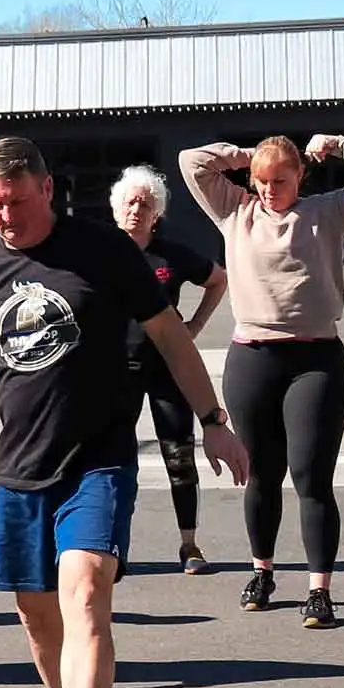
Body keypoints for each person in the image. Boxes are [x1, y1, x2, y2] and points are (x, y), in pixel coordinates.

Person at [0, 138, 248, 688]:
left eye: (17, 202)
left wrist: (213, 418)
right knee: (36, 615)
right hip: (21, 467)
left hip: (98, 458)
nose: (4, 216)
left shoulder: (106, 252)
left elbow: (171, 334)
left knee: (85, 592)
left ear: (46, 189)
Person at [179, 132, 344, 627]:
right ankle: (263, 572)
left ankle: (319, 589)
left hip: (316, 359)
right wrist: (240, 157)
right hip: (253, 357)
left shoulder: (328, 212)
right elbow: (190, 160)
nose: (270, 189)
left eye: (281, 179)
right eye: (261, 180)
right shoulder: (236, 211)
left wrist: (341, 145)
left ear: (300, 174)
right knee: (261, 474)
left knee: (310, 477)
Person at [111, 166, 230, 574]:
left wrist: (193, 327)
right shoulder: (101, 253)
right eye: (130, 202)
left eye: (145, 203)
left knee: (179, 455)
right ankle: (113, 547)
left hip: (167, 370)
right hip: (116, 371)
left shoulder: (172, 255)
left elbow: (219, 280)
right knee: (115, 460)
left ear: (156, 211)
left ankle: (189, 545)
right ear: (116, 208)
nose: (137, 209)